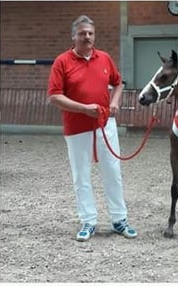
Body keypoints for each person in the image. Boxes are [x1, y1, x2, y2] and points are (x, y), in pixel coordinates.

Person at [47, 15, 137, 241]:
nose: (87, 37)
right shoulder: (62, 62)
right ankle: (88, 221)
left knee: (113, 172)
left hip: (106, 125)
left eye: (90, 33)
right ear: (73, 36)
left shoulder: (104, 58)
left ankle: (119, 219)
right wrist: (83, 108)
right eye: (82, 33)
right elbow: (54, 96)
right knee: (81, 176)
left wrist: (114, 102)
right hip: (77, 128)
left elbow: (118, 82)